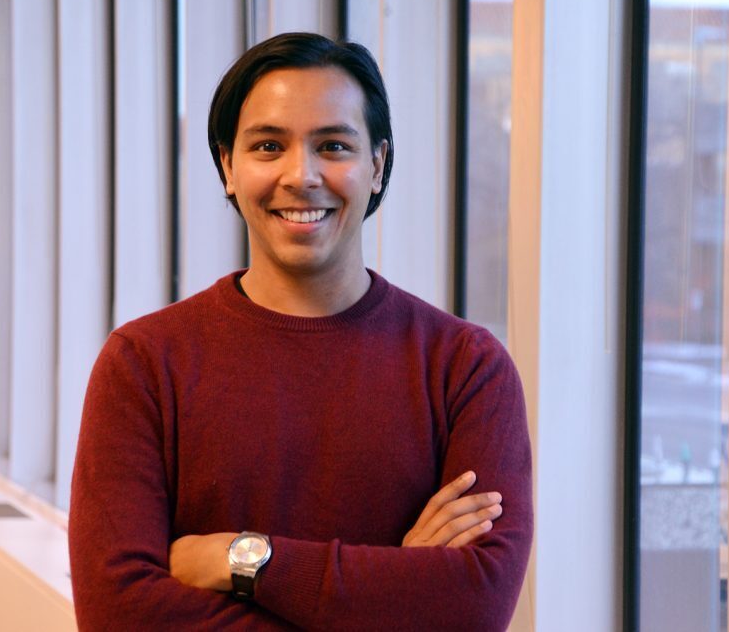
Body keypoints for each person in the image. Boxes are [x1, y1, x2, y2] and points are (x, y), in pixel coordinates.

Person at [68, 32, 532, 631]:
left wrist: (245, 560)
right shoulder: (143, 364)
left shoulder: (466, 368)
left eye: (333, 146)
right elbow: (117, 614)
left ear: (377, 165)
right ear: (228, 166)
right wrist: (391, 592)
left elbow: (476, 606)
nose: (301, 175)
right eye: (268, 146)